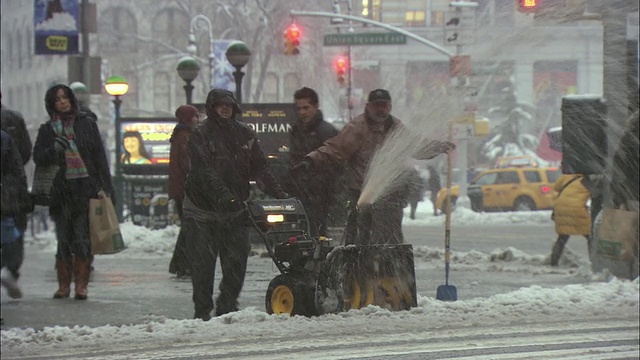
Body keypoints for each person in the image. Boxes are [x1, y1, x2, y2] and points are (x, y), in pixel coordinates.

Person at [293, 89, 455, 245]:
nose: (380, 109)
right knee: (360, 242)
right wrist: (311, 160)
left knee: (391, 242)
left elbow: (415, 146)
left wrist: (437, 147)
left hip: (389, 196)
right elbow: (335, 148)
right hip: (361, 196)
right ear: (368, 106)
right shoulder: (357, 128)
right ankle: (359, 270)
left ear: (389, 107)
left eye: (383, 105)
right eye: (376, 105)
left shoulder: (395, 128)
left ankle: (390, 270)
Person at [182, 89, 287, 320]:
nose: (225, 109)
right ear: (212, 108)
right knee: (203, 268)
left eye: (228, 105)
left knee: (236, 263)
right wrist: (226, 197)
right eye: (220, 105)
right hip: (203, 212)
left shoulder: (244, 134)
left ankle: (227, 306)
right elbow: (204, 172)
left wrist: (279, 194)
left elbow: (260, 168)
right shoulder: (200, 135)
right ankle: (202, 312)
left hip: (234, 212)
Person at [33, 84, 113, 300]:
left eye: (65, 97)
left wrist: (105, 188)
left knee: (82, 238)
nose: (63, 102)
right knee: (63, 239)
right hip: (61, 193)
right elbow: (38, 157)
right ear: (52, 104)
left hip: (84, 191)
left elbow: (98, 157)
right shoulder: (47, 129)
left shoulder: (86, 124)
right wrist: (54, 149)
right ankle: (63, 285)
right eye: (57, 99)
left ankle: (81, 285)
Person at [287, 87, 339, 237]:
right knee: (302, 233)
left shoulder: (327, 131)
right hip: (300, 192)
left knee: (318, 234)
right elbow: (294, 158)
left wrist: (319, 185)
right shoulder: (296, 130)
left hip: (320, 194)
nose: (302, 112)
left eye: (306, 108)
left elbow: (334, 164)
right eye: (299, 108)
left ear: (315, 107)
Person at [1, 92, 32, 290]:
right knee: (13, 230)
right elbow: (24, 154)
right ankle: (10, 269)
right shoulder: (13, 119)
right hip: (9, 189)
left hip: (9, 187)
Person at [168, 104, 199, 278]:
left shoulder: (180, 135)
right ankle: (181, 263)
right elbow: (188, 164)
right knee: (189, 227)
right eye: (194, 116)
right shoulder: (185, 137)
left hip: (180, 189)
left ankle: (181, 263)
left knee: (188, 227)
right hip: (186, 189)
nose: (197, 119)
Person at [549, 173, 592, 266]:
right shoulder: (587, 180)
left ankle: (554, 261)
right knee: (590, 236)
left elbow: (556, 187)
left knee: (563, 237)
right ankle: (594, 261)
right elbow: (596, 194)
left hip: (560, 207)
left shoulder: (567, 176)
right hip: (576, 208)